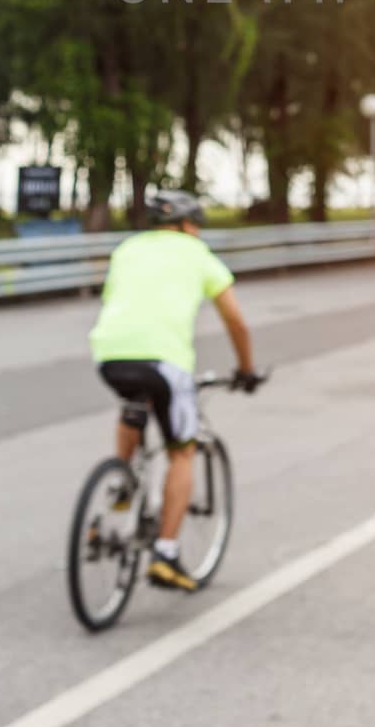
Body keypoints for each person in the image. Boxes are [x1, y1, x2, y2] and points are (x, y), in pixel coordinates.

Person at [89, 187, 259, 593]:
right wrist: (246, 368)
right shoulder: (197, 255)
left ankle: (122, 486)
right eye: (196, 227)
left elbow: (115, 300)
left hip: (109, 353)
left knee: (134, 402)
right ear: (186, 225)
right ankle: (165, 552)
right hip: (165, 361)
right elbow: (235, 320)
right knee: (181, 451)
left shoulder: (127, 249)